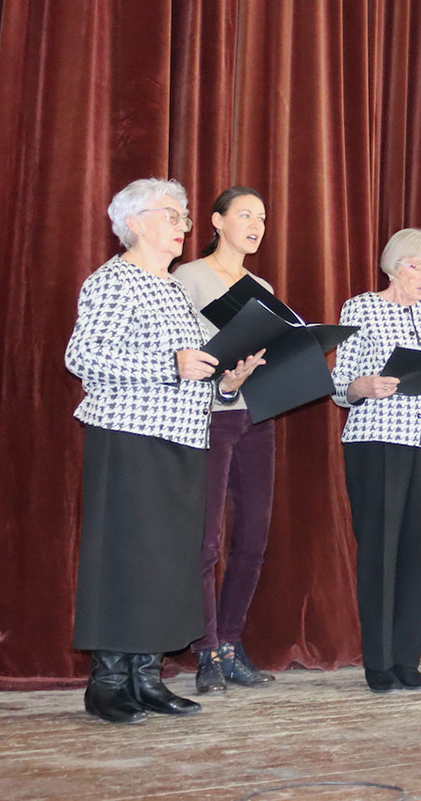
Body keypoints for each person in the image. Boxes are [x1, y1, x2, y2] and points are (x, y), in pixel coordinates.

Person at [65, 178, 263, 724]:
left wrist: (226, 384)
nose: (182, 226)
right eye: (171, 216)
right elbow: (83, 355)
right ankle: (108, 683)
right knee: (125, 558)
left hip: (183, 439)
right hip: (129, 438)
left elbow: (188, 370)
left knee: (167, 561)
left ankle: (146, 677)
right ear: (134, 223)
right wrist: (169, 365)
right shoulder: (113, 280)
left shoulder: (172, 288)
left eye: (183, 218)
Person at [332, 228, 421, 693]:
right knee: (380, 550)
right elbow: (340, 383)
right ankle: (379, 663)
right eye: (419, 266)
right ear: (395, 266)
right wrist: (361, 386)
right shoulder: (361, 307)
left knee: (420, 549)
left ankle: (407, 660)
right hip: (378, 440)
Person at [174, 187, 277, 694]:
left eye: (262, 217)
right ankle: (206, 650)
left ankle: (232, 643)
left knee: (253, 537)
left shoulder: (261, 286)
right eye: (245, 215)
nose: (256, 225)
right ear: (216, 221)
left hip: (256, 416)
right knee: (207, 540)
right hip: (208, 417)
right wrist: (223, 380)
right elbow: (177, 351)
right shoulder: (188, 277)